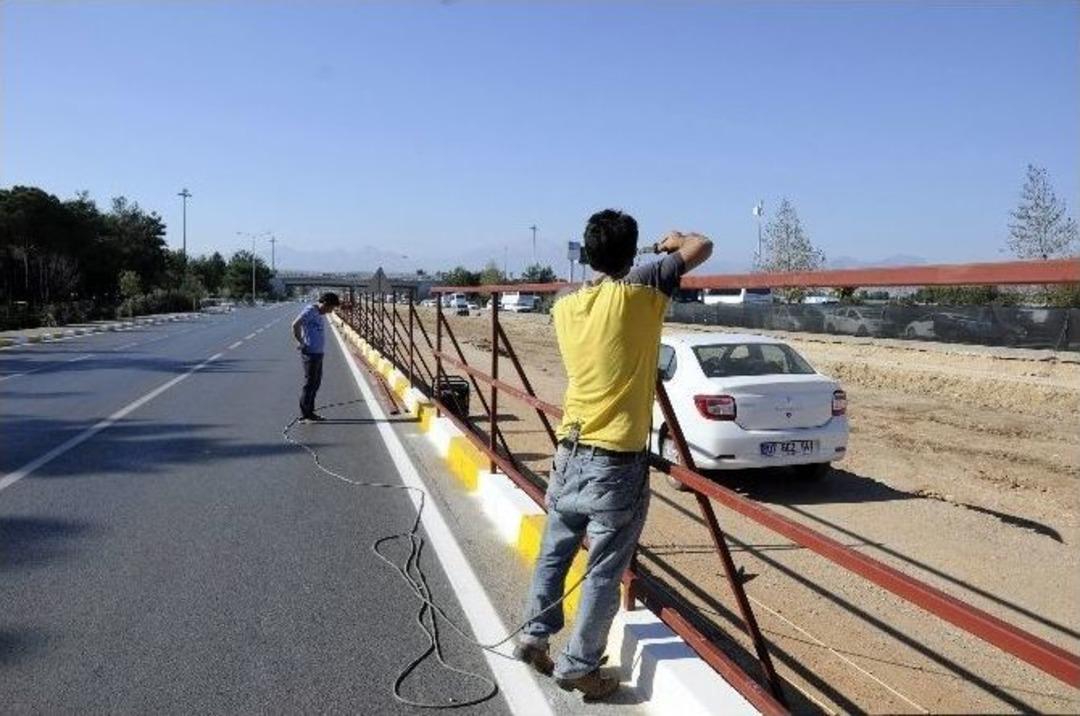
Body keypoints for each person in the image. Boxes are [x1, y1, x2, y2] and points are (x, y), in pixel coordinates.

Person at [515, 210, 712, 701]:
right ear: (632, 253)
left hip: (568, 449)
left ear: (587, 252)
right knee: (604, 568)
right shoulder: (640, 292)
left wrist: (640, 255)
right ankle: (579, 666)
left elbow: (601, 282)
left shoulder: (564, 306)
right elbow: (702, 245)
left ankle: (533, 635)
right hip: (615, 459)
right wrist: (673, 242)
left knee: (554, 551)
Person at [292, 292, 340, 422]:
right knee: (310, 384)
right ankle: (306, 413)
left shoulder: (318, 313)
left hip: (318, 353)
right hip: (311, 354)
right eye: (331, 308)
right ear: (325, 303)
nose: (331, 311)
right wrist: (301, 342)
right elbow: (295, 324)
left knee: (315, 383)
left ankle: (310, 412)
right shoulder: (310, 311)